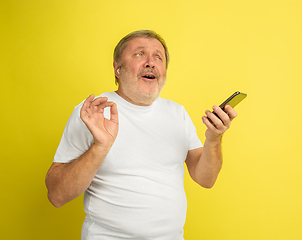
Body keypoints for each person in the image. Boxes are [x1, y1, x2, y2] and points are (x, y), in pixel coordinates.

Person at [45, 30, 237, 240]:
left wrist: (214, 139)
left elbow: (205, 179)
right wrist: (100, 147)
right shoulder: (93, 112)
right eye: (139, 54)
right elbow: (57, 195)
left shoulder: (177, 113)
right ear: (117, 68)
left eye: (158, 57)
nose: (150, 63)